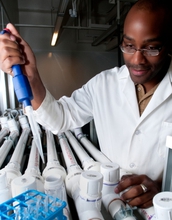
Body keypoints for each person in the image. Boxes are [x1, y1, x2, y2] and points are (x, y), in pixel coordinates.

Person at [0, 0, 171, 209]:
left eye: (151, 48)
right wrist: (31, 76)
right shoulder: (104, 84)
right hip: (113, 205)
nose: (137, 59)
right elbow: (60, 119)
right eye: (128, 45)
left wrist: (164, 187)